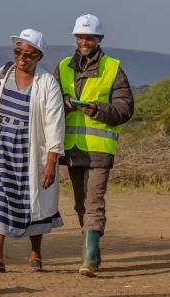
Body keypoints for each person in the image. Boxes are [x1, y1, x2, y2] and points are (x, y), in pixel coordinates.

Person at [0, 28, 65, 273]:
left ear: (38, 56)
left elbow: (55, 122)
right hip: (0, 146)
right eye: (18, 52)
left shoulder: (47, 84)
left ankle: (35, 253)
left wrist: (51, 160)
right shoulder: (2, 75)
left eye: (29, 54)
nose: (22, 58)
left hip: (31, 149)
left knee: (33, 198)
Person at [54, 14, 135, 277]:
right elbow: (48, 104)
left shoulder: (113, 68)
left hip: (100, 147)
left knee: (94, 201)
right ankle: (93, 248)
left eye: (89, 37)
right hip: (73, 147)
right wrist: (63, 103)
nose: (84, 41)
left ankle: (88, 256)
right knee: (80, 203)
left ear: (99, 39)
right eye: (80, 37)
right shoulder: (64, 66)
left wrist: (97, 109)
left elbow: (125, 109)